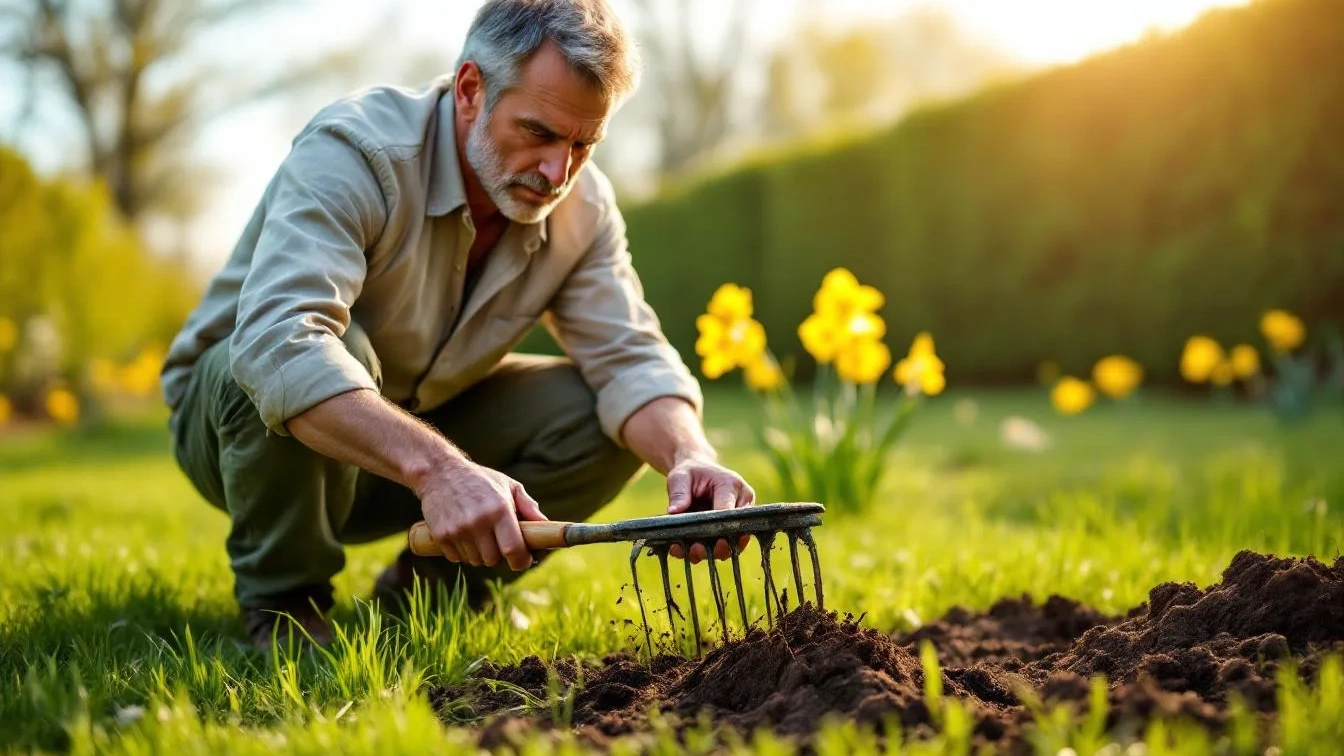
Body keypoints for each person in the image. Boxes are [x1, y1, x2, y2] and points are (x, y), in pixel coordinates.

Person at [160, 0, 754, 649]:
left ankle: (428, 593)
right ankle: (285, 606)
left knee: (604, 412)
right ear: (471, 89)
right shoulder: (356, 151)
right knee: (329, 347)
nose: (558, 172)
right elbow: (280, 340)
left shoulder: (582, 208)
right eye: (538, 133)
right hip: (241, 433)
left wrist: (688, 454)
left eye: (584, 144)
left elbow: (631, 359)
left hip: (413, 430)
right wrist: (439, 471)